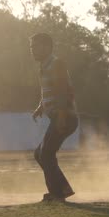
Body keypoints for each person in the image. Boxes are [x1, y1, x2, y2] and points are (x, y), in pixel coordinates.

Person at [30, 33, 78, 202]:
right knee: (40, 154)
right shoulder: (44, 66)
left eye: (36, 46)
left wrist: (62, 117)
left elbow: (62, 91)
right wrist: (40, 107)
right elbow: (48, 91)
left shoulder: (56, 63)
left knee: (45, 154)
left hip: (65, 116)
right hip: (58, 116)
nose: (33, 50)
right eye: (32, 47)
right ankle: (62, 189)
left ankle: (57, 194)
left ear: (47, 47)